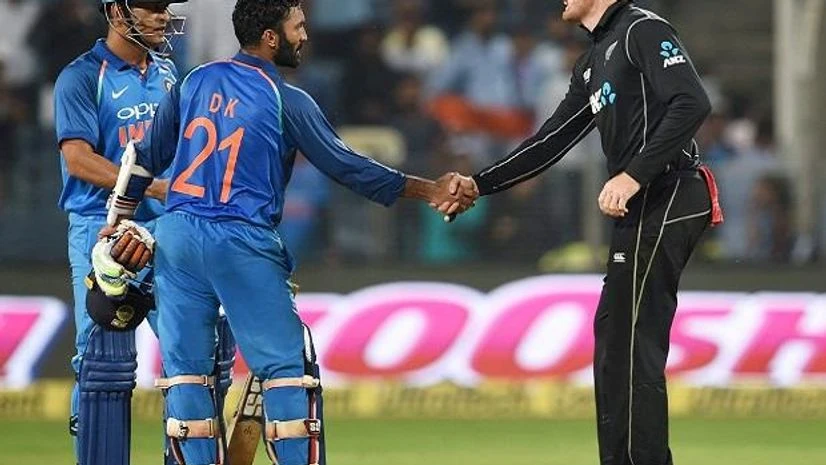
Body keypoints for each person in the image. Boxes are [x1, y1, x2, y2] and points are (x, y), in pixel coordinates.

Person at [100, 1, 473, 464]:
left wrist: (114, 224)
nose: (306, 36)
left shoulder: (193, 79)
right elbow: (348, 167)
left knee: (187, 378)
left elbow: (143, 158)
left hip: (176, 239)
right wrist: (429, 189)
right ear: (271, 37)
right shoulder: (286, 98)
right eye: (298, 27)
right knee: (288, 372)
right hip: (240, 240)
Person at [448, 1, 723, 464]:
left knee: (633, 340)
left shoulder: (642, 29)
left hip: (670, 191)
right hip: (642, 203)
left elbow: (692, 102)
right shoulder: (593, 62)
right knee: (616, 338)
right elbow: (551, 139)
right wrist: (480, 184)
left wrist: (633, 174)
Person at [52, 3, 235, 465]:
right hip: (102, 229)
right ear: (116, 11)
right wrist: (150, 184)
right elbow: (77, 159)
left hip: (166, 231)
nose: (162, 17)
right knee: (99, 362)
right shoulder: (80, 77)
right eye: (151, 8)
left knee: (194, 356)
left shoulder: (170, 73)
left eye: (164, 8)